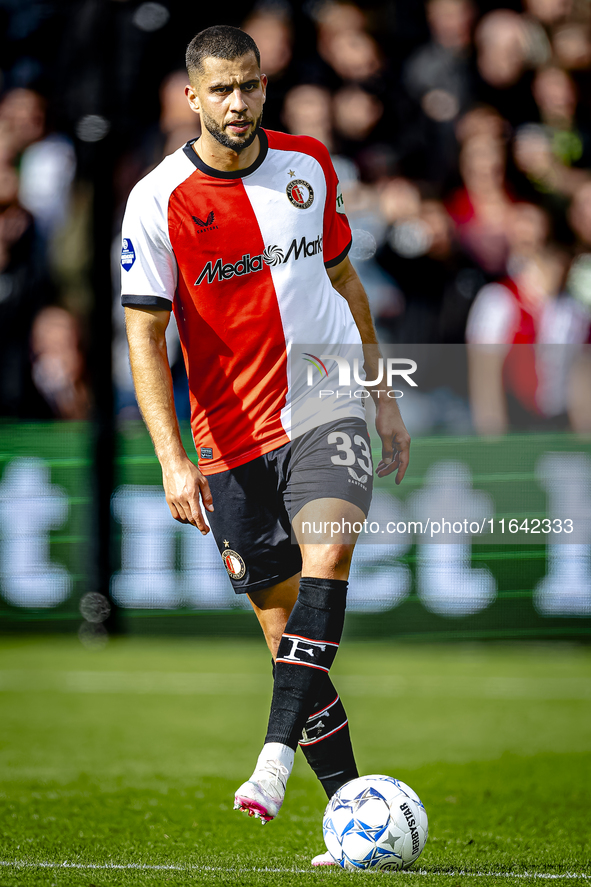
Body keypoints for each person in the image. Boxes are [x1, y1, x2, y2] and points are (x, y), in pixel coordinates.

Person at [121, 25, 410, 866]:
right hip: (229, 439)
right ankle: (351, 816)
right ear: (193, 98)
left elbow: (345, 280)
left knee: (328, 563)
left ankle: (272, 762)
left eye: (249, 86)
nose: (239, 103)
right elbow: (146, 338)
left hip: (328, 405)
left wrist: (382, 398)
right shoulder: (158, 200)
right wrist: (172, 458)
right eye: (221, 90)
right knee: (286, 636)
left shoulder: (309, 166)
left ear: (263, 86)